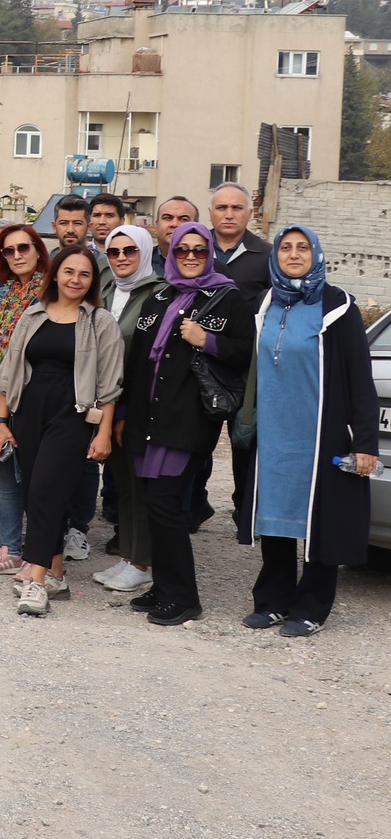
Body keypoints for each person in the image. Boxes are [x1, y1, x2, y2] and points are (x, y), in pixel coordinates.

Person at [242, 225, 381, 636]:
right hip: (274, 432)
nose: (294, 254)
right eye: (286, 247)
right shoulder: (267, 301)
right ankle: (273, 601)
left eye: (303, 248)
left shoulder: (337, 304)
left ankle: (313, 606)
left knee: (321, 520)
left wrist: (368, 441)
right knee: (275, 516)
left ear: (318, 254)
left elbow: (360, 376)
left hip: (319, 432)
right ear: (276, 255)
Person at [120, 222, 254, 626]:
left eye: (199, 250)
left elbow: (244, 354)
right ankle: (163, 586)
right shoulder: (160, 295)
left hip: (187, 420)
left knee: (166, 505)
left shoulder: (228, 298)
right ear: (172, 253)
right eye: (183, 250)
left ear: (210, 252)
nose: (191, 256)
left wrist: (206, 340)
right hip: (147, 417)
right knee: (153, 504)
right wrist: (124, 413)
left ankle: (183, 598)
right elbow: (137, 360)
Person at [0, 245, 124, 615]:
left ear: (93, 281)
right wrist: (1, 422)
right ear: (56, 275)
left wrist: (103, 433)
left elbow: (110, 385)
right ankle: (57, 574)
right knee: (38, 493)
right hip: (29, 411)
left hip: (73, 414)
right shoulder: (32, 315)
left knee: (47, 490)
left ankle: (34, 582)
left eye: (84, 274)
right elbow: (9, 374)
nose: (75, 280)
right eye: (69, 272)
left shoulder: (100, 322)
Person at [0, 223, 50, 575]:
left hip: (34, 398)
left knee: (37, 479)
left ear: (37, 250)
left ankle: (40, 555)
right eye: (9, 250)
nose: (17, 256)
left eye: (24, 248)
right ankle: (10, 549)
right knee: (4, 475)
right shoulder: (3, 295)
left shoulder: (51, 293)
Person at [92, 225, 159, 595]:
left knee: (140, 483)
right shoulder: (105, 289)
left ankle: (142, 562)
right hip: (105, 402)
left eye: (130, 251)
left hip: (136, 405)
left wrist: (124, 410)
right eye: (114, 251)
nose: (120, 258)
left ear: (144, 253)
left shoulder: (158, 294)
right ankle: (130, 555)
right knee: (123, 483)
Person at [208, 180, 272, 530]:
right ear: (211, 213)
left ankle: (246, 512)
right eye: (222, 207)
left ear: (249, 213)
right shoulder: (196, 250)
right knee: (197, 442)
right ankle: (191, 508)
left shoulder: (266, 254)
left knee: (245, 441)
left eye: (236, 208)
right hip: (201, 360)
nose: (229, 214)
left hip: (248, 367)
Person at [151, 196, 198, 276]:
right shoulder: (141, 262)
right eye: (167, 218)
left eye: (184, 219)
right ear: (156, 225)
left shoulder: (207, 263)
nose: (174, 224)